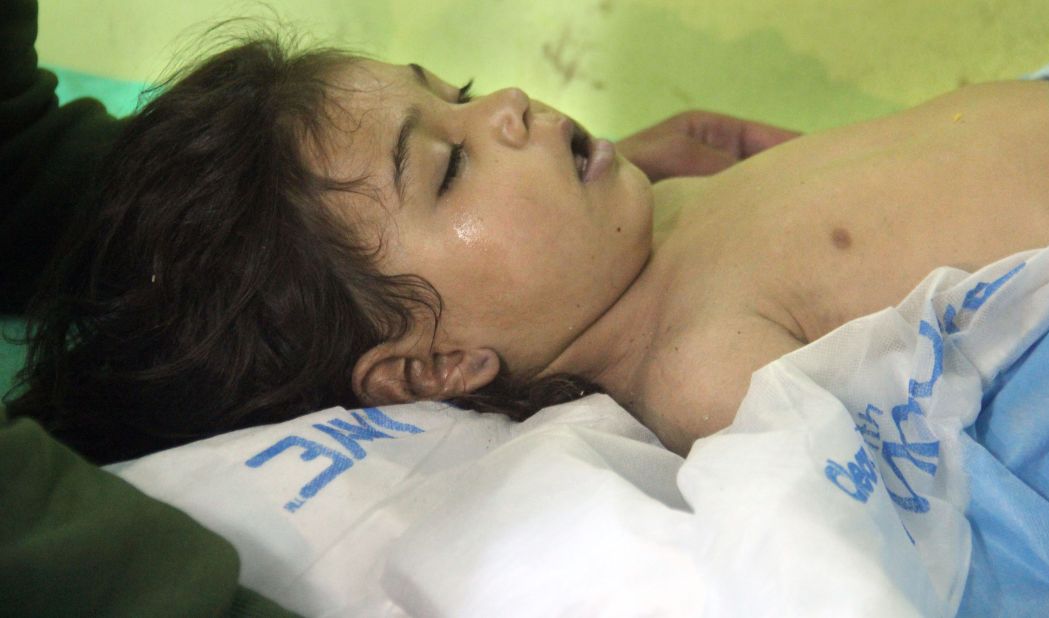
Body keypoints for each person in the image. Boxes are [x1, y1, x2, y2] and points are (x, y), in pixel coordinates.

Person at [1, 1, 783, 613]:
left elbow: (17, 158)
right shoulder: (708, 396)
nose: (509, 101)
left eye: (462, 95)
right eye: (450, 169)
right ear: (430, 366)